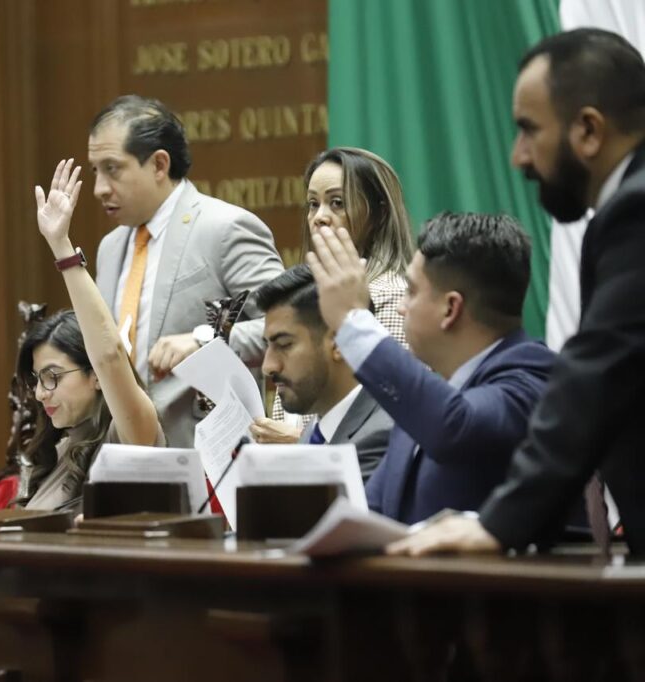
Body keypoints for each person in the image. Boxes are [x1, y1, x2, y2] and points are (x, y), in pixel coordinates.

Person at [389, 29, 645, 556]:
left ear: (589, 131)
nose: (517, 156)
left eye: (528, 130)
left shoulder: (634, 213)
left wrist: (497, 525)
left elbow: (599, 373)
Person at [308, 213, 556, 524]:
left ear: (450, 309)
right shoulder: (426, 397)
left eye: (411, 291)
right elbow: (370, 518)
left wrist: (352, 319)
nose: (401, 306)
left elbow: (456, 426)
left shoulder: (535, 376)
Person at [89, 95, 284, 449]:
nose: (99, 188)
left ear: (159, 165)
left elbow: (285, 328)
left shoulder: (226, 228)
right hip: (119, 453)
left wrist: (203, 341)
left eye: (112, 168)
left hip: (205, 457)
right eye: (95, 171)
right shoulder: (110, 247)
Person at [13, 159, 165, 511]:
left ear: (95, 375)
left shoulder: (131, 435)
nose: (39, 393)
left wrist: (62, 248)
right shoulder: (57, 451)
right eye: (37, 379)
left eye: (52, 377)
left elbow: (110, 354)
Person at [255, 147, 415, 443]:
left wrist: (298, 440)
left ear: (379, 213)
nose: (320, 217)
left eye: (337, 203)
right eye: (313, 204)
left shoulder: (393, 297)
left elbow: (393, 417)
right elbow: (288, 409)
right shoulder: (305, 297)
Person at [250, 265, 393, 479]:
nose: (268, 366)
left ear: (338, 343)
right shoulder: (317, 432)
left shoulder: (380, 435)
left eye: (284, 344)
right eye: (268, 346)